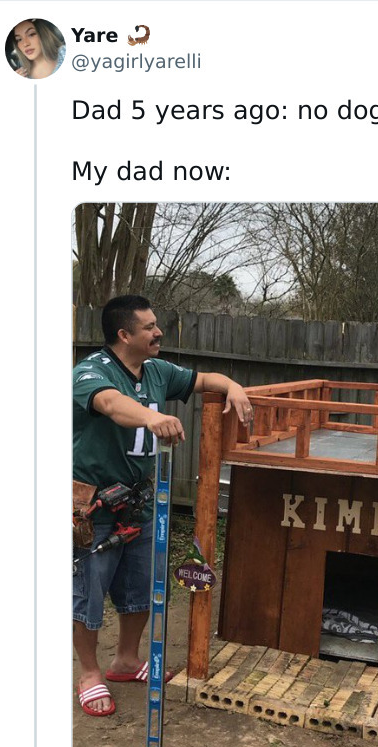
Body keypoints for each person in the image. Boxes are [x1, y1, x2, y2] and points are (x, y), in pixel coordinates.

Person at [73, 296, 252, 716]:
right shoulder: (90, 372)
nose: (158, 333)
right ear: (124, 335)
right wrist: (151, 418)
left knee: (140, 586)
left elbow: (206, 378)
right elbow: (111, 404)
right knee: (88, 593)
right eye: (150, 327)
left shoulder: (157, 371)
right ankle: (88, 674)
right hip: (94, 505)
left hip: (139, 501)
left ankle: (127, 661)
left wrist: (233, 386)